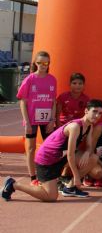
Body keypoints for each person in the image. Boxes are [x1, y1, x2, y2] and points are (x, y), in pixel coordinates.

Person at [2, 99, 102, 201]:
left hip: (60, 156)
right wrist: (77, 176)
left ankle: (70, 188)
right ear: (86, 111)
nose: (97, 115)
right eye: (94, 111)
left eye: (100, 113)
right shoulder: (75, 127)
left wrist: (87, 152)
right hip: (46, 159)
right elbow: (70, 154)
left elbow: (90, 146)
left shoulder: (89, 126)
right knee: (51, 197)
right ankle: (14, 184)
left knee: (93, 157)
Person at [17, 51, 57, 185]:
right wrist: (27, 122)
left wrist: (52, 120)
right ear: (35, 63)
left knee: (49, 148)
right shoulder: (29, 79)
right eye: (40, 62)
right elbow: (23, 101)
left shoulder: (52, 79)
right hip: (32, 119)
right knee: (30, 148)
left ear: (49, 63)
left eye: (45, 63)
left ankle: (48, 174)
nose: (43, 65)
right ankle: (33, 177)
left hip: (47, 120)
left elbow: (53, 102)